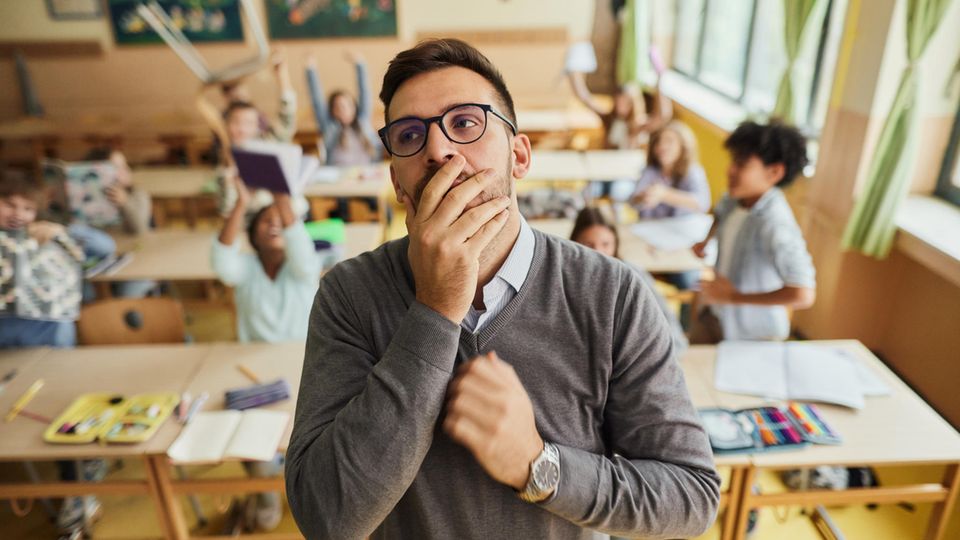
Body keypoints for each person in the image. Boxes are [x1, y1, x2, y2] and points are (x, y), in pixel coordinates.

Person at [286, 38, 719, 539]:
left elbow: (690, 497)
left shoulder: (613, 295)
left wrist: (539, 466)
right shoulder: (348, 295)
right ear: (398, 183)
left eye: (466, 123)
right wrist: (436, 309)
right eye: (409, 135)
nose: (439, 150)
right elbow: (326, 518)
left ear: (519, 155)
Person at [209, 174, 326, 532]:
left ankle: (313, 490)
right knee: (253, 442)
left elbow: (304, 253)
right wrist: (242, 203)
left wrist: (281, 200)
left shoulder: (302, 270)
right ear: (253, 234)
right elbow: (221, 260)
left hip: (305, 365)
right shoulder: (246, 271)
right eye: (265, 221)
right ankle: (267, 495)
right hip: (256, 372)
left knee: (310, 436)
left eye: (280, 222)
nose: (273, 225)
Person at [690, 120, 816, 343]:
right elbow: (719, 214)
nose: (730, 170)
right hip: (717, 316)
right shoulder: (733, 198)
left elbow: (803, 293)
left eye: (741, 164)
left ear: (774, 172)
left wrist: (734, 297)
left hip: (754, 336)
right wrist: (705, 241)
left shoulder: (775, 223)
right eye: (733, 161)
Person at [196, 50, 307, 218]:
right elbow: (225, 211)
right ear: (227, 126)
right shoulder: (226, 161)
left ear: (257, 126)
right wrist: (230, 184)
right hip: (253, 227)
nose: (241, 128)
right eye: (236, 122)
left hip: (287, 216)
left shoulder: (268, 142)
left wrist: (282, 77)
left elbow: (287, 116)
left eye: (248, 123)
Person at [569, 207, 687, 353]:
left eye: (606, 244)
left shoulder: (633, 275)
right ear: (574, 244)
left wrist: (672, 352)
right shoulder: (566, 280)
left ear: (616, 243)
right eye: (588, 245)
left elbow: (665, 320)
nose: (598, 253)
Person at [305, 51, 383, 166]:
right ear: (332, 111)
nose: (343, 109)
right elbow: (317, 101)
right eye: (338, 106)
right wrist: (310, 69)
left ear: (354, 107)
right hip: (338, 176)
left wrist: (359, 64)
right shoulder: (329, 126)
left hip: (365, 174)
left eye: (347, 105)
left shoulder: (362, 120)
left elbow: (365, 93)